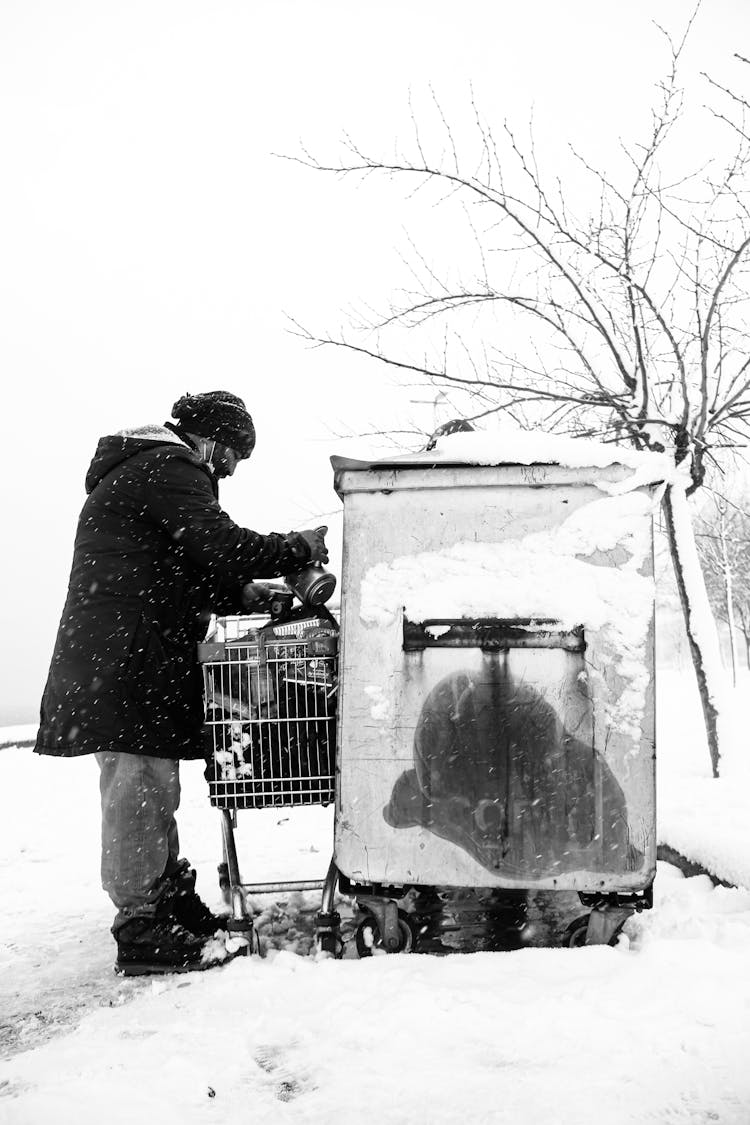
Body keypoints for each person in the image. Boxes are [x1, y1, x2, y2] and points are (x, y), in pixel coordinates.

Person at [34, 391, 329, 976]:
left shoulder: (153, 471)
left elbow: (179, 568)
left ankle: (168, 903)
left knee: (152, 788)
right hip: (125, 659)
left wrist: (240, 594)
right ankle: (143, 926)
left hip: (134, 654)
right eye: (234, 453)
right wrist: (296, 549)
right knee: (137, 788)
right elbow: (217, 543)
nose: (232, 468)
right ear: (212, 438)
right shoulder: (166, 467)